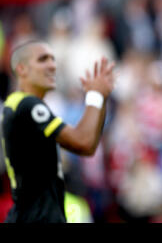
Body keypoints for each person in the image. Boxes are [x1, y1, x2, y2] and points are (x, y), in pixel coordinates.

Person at [2, 40, 114, 222]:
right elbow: (83, 141)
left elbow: (89, 145)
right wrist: (95, 95)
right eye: (43, 59)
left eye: (53, 59)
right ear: (22, 69)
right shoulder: (27, 105)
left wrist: (100, 98)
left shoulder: (20, 106)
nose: (52, 65)